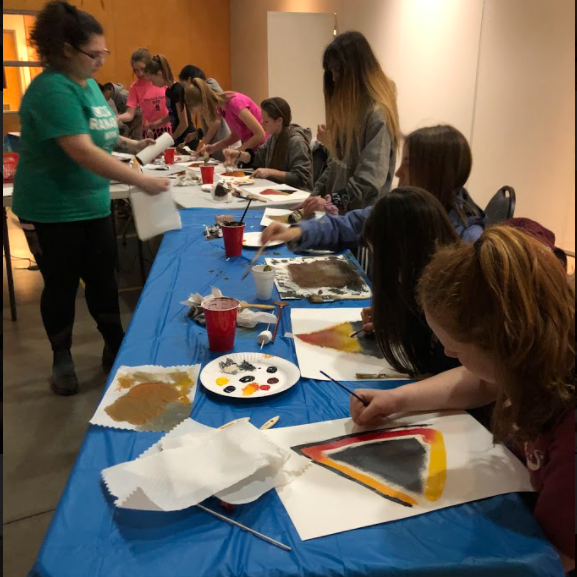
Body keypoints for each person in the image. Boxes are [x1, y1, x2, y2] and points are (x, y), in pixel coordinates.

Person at [350, 227, 575, 572]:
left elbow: (556, 560)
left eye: (454, 349)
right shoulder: (532, 352)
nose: (446, 353)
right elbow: (483, 381)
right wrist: (395, 400)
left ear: (502, 346)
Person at [12, 1, 170, 396]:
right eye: (94, 53)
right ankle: (62, 357)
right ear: (66, 49)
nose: (101, 60)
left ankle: (113, 344)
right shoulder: (51, 89)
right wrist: (140, 179)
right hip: (53, 209)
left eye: (105, 52)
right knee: (61, 285)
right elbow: (81, 149)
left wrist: (134, 142)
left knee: (103, 279)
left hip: (91, 203)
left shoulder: (87, 87)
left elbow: (102, 131)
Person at [261, 124, 486, 252]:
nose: (397, 173)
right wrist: (297, 231)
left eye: (407, 164)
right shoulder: (405, 207)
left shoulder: (467, 241)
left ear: (434, 173)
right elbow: (350, 224)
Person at [364, 187, 461, 376]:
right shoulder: (428, 282)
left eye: (391, 267)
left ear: (410, 257)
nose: (395, 279)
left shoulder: (453, 301)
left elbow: (476, 381)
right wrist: (395, 317)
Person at [301, 31, 400, 216]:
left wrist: (331, 202)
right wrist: (313, 198)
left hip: (359, 223)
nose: (334, 78)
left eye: (337, 71)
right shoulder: (350, 110)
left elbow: (369, 180)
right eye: (331, 71)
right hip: (339, 218)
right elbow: (336, 165)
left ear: (355, 71)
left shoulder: (378, 114)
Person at [223, 97, 313, 191]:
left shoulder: (296, 142)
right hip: (279, 191)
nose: (263, 125)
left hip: (297, 195)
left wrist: (270, 172)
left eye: (266, 121)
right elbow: (257, 158)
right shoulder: (273, 138)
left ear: (279, 120)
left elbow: (301, 178)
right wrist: (239, 154)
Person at [184, 78, 266, 159]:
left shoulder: (234, 102)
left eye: (201, 110)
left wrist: (239, 152)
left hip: (265, 151)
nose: (203, 114)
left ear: (204, 102)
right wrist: (213, 147)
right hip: (255, 152)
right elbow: (235, 135)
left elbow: (260, 134)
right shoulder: (221, 107)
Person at [178, 65, 232, 159]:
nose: (184, 89)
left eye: (183, 85)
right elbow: (209, 124)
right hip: (218, 146)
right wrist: (197, 134)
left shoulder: (207, 90)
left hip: (225, 145)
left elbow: (215, 122)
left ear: (190, 80)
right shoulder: (201, 94)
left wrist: (203, 145)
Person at [116, 48, 171, 139]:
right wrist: (119, 117)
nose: (140, 73)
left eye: (142, 68)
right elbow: (130, 114)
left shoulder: (160, 79)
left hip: (168, 127)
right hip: (149, 131)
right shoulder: (135, 87)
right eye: (136, 70)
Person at [144, 54, 195, 146]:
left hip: (186, 138)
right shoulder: (168, 91)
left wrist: (170, 140)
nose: (152, 83)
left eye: (152, 80)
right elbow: (172, 113)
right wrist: (155, 124)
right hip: (178, 136)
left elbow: (184, 123)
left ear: (159, 74)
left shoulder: (177, 90)